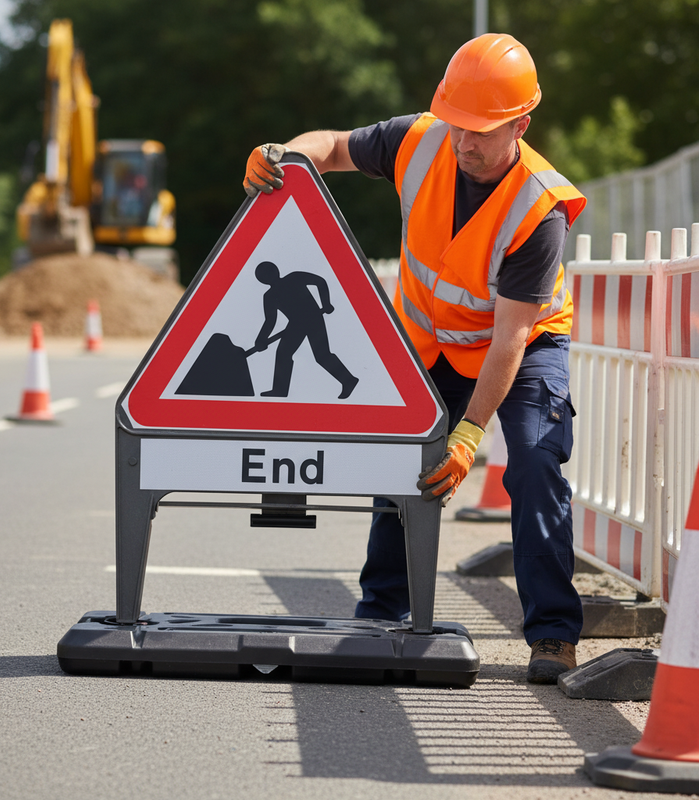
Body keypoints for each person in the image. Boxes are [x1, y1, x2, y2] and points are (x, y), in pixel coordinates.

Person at [243, 33, 586, 684]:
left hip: (522, 347)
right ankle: (381, 611)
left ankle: (553, 634)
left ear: (521, 125)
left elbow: (510, 339)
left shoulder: (538, 209)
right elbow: (333, 146)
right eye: (457, 123)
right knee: (401, 465)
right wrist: (284, 157)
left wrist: (469, 433)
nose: (463, 142)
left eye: (481, 131)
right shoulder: (420, 140)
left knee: (535, 463)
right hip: (433, 340)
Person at [252, 261, 359, 399]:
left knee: (322, 355)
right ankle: (279, 390)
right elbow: (270, 320)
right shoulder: (270, 296)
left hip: (313, 318)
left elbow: (320, 281)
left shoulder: (294, 277)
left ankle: (349, 380)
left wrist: (326, 303)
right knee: (283, 354)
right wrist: (260, 339)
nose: (267, 277)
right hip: (296, 324)